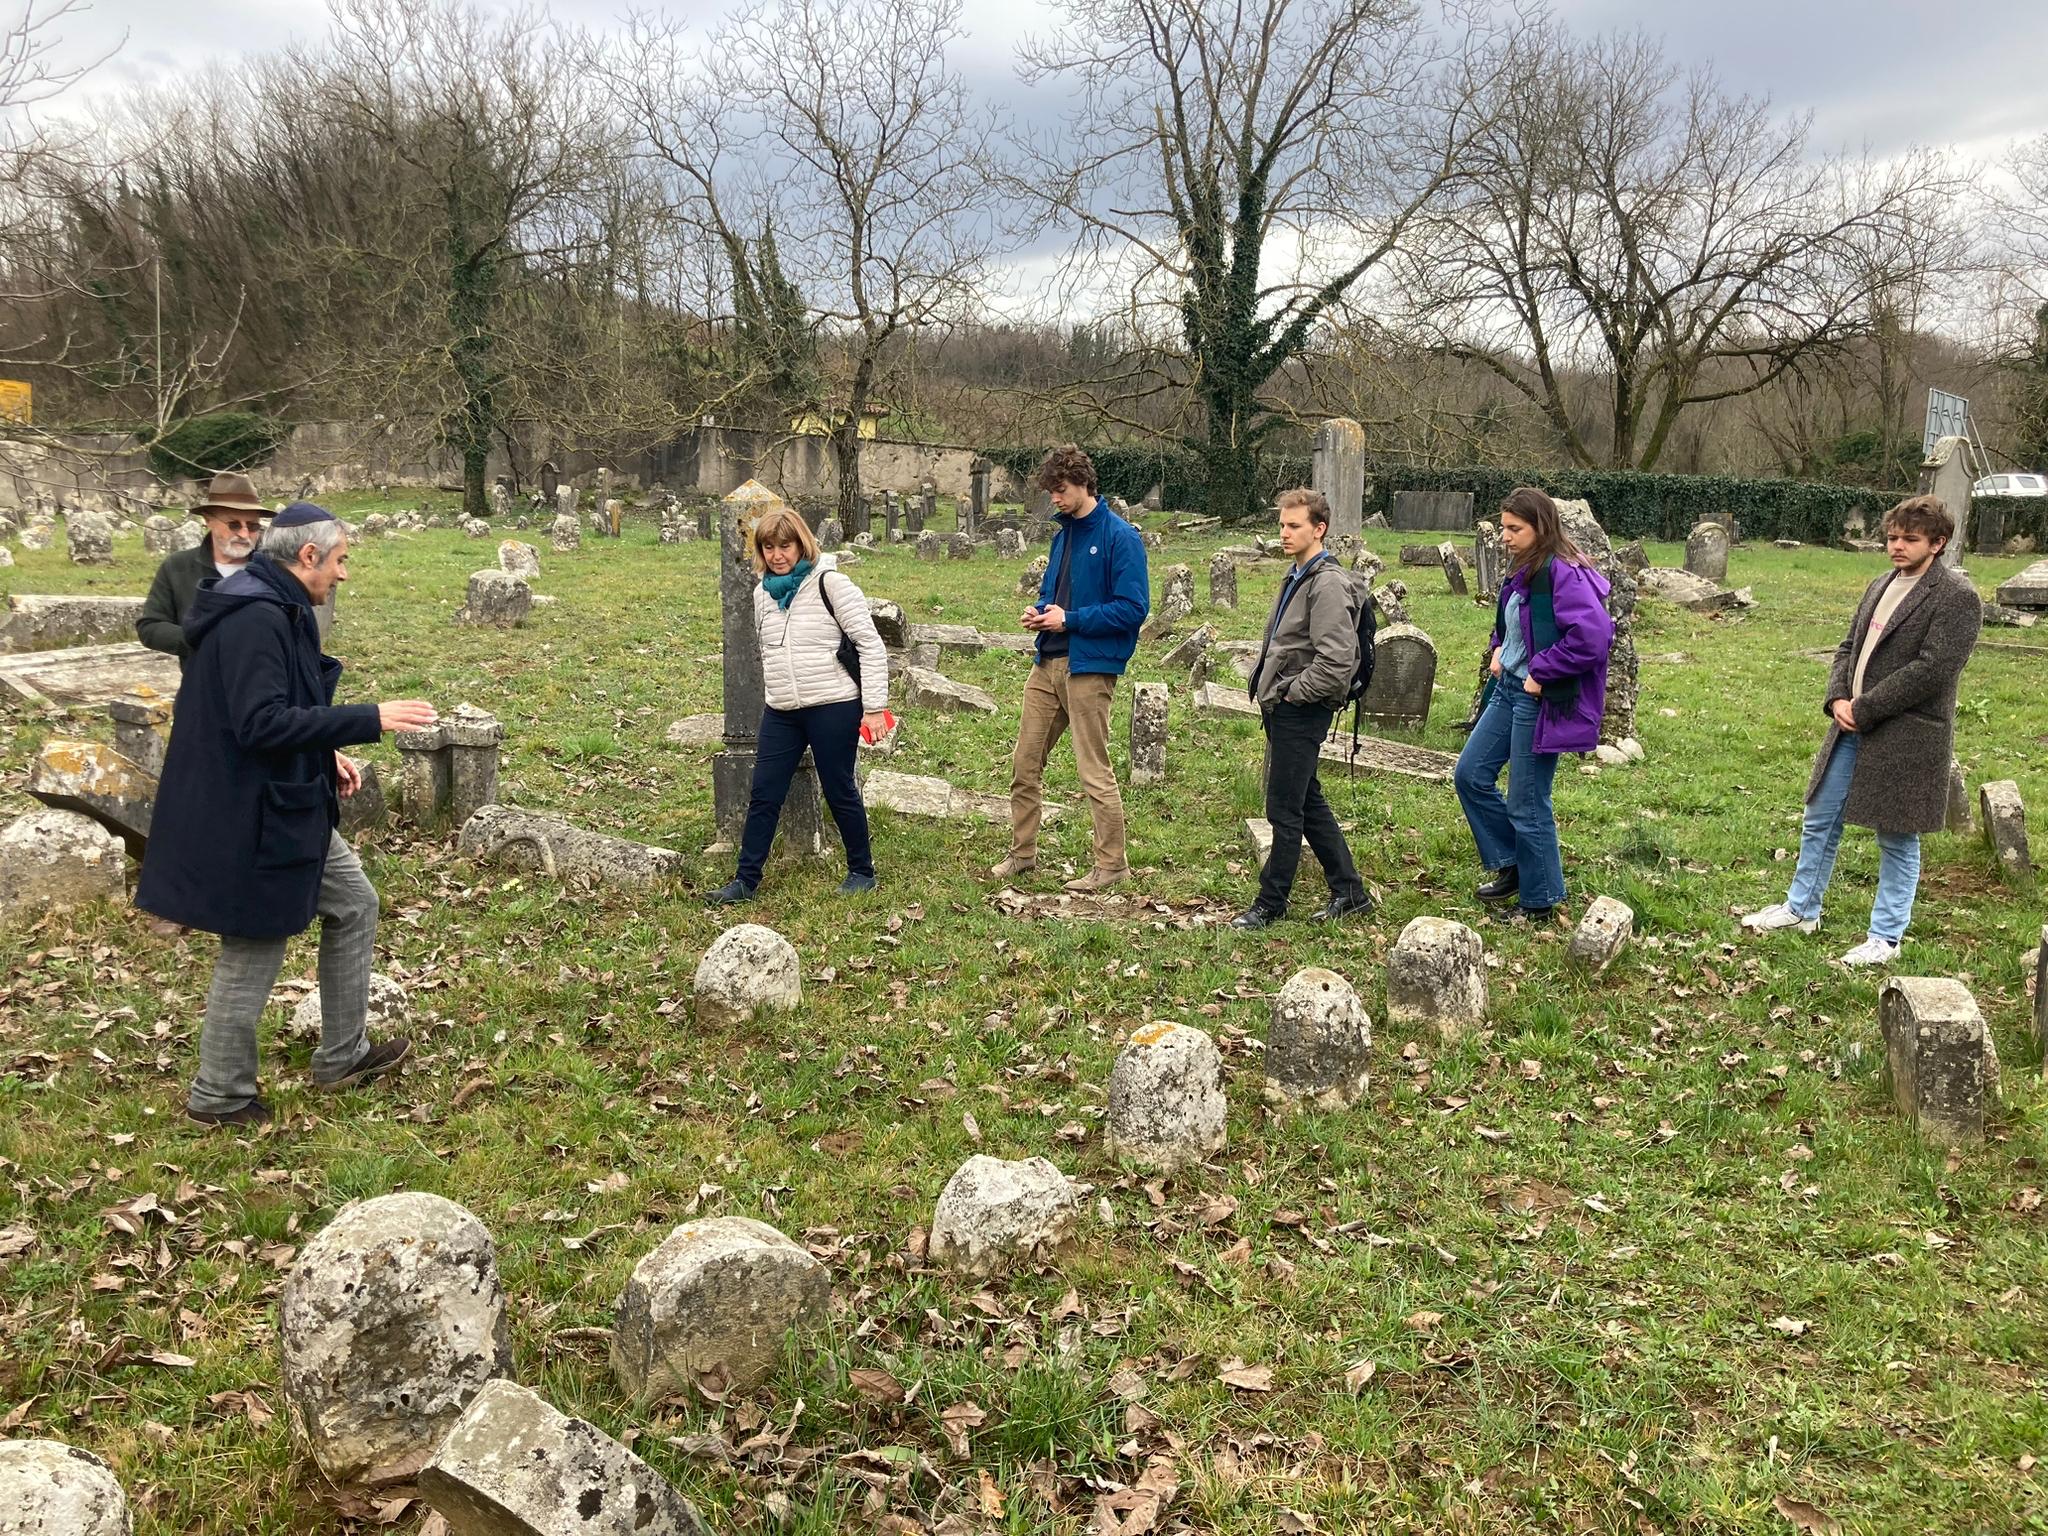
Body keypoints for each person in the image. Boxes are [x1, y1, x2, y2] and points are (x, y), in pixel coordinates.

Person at [136, 503, 439, 1128]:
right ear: (308, 557)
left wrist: (323, 750)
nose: (344, 574)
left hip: (288, 799)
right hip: (252, 814)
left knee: (354, 903)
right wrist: (367, 718)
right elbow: (257, 723)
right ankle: (219, 1096)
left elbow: (279, 704)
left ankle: (343, 1056)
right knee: (256, 942)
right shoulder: (254, 617)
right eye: (341, 560)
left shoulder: (279, 605)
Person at [1741, 495, 1980, 966]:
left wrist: (1865, 707)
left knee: (1897, 834)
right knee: (1820, 815)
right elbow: (1848, 647)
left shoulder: (1956, 597)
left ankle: (1885, 938)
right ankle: (1802, 909)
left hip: (1907, 733)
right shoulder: (1880, 583)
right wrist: (1836, 700)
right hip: (1850, 722)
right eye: (1892, 537)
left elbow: (1933, 669)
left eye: (1909, 539)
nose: (1897, 546)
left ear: (1938, 542)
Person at [709, 505, 891, 902]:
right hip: (782, 710)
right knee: (764, 792)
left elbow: (871, 645)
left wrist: (874, 707)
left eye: (785, 546)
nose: (777, 555)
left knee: (838, 787)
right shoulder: (761, 594)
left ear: (802, 544)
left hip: (833, 704)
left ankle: (862, 869)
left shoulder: (831, 584)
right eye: (769, 547)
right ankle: (745, 880)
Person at [990, 445, 1150, 892]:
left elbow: (1134, 608)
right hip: (1048, 662)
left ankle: (1112, 864)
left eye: (1060, 491)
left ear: (1083, 483)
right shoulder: (1062, 536)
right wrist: (1039, 612)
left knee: (1092, 770)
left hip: (1090, 667)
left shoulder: (1121, 537)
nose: (1055, 500)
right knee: (1025, 763)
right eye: (1051, 493)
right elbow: (1053, 594)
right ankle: (1022, 854)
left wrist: (1071, 620)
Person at [1453, 487, 1615, 921]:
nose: (1505, 536)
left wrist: (1543, 671)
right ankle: (1514, 864)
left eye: (1514, 528)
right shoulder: (1523, 566)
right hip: (1508, 688)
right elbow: (1512, 620)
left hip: (1538, 699)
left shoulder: (1563, 572)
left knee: (1527, 801)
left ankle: (1539, 900)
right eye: (1504, 527)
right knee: (1470, 774)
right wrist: (1498, 647)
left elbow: (1594, 636)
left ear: (1539, 528)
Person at [1231, 488, 1374, 929]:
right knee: (1306, 799)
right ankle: (1350, 892)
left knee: (1283, 808)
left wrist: (1291, 693)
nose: (1285, 533)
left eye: (1295, 526)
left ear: (1319, 528)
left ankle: (1271, 903)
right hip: (1285, 705)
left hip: (1301, 708)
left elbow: (1334, 663)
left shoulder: (1327, 583)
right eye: (1282, 525)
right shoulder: (1297, 575)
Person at [137, 470, 269, 667]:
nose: (244, 534)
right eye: (234, 525)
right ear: (208, 520)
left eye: (252, 526)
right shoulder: (177, 567)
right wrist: (198, 639)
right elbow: (150, 627)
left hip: (262, 683)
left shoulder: (272, 568)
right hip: (200, 686)